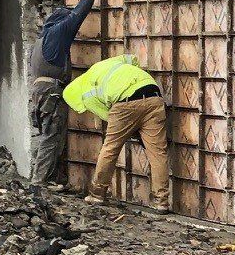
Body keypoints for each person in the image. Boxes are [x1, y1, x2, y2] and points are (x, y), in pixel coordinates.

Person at [62, 52, 171, 211]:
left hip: (125, 102)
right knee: (158, 153)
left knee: (110, 148)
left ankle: (97, 194)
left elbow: (109, 116)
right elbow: (132, 58)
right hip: (154, 95)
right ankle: (161, 202)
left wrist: (131, 126)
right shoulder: (102, 67)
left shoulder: (86, 94)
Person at [27, 0, 103, 183]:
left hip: (38, 92)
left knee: (49, 136)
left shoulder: (40, 41)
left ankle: (49, 179)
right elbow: (78, 14)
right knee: (51, 137)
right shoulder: (58, 33)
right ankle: (39, 182)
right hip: (51, 91)